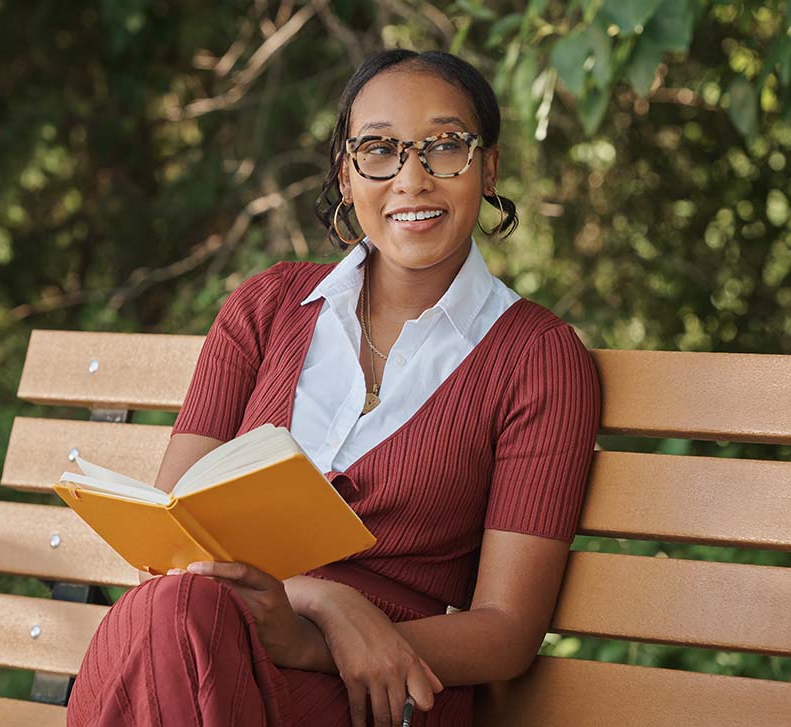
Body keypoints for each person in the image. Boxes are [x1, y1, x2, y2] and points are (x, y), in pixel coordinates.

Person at [66, 49, 601, 727]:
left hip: (371, 696)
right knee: (173, 609)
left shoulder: (537, 358)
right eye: (379, 149)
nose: (412, 177)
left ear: (487, 167)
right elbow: (171, 553)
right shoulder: (264, 308)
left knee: (172, 622)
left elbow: (506, 630)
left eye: (444, 146)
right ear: (345, 175)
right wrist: (323, 599)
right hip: (194, 646)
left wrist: (315, 640)